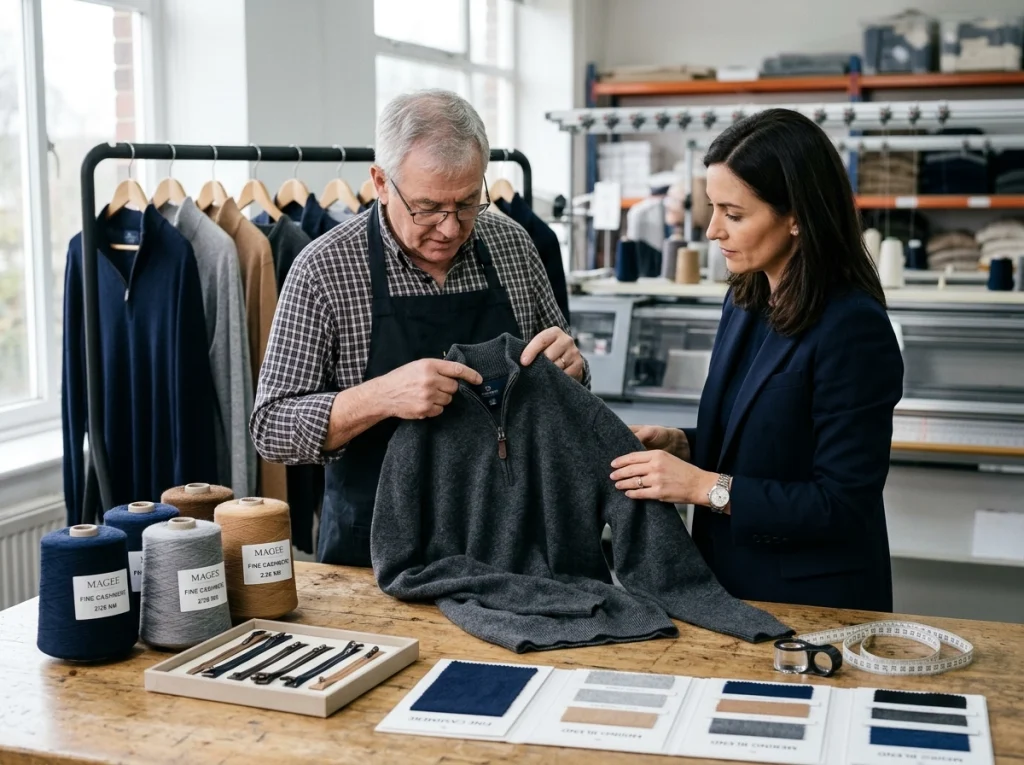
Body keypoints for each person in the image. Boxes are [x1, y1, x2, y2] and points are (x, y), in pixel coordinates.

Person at [251, 89, 586, 566]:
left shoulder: (514, 246)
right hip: (375, 558)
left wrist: (572, 369)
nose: (450, 228)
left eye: (468, 203)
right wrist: (381, 396)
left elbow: (571, 394)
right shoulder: (324, 269)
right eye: (428, 208)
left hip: (510, 548)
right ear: (381, 182)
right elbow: (271, 427)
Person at [609, 109, 904, 612]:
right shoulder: (745, 300)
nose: (713, 231)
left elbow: (841, 505)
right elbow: (762, 446)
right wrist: (684, 445)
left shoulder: (852, 327)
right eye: (712, 208)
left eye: (735, 214)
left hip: (814, 600)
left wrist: (701, 487)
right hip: (726, 581)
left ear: (796, 217)